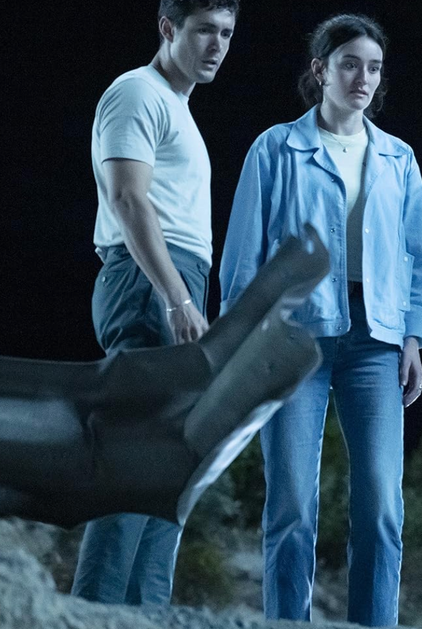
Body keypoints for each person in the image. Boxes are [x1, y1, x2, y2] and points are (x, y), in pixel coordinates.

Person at [218, 13, 422, 627]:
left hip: (377, 340)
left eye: (373, 68)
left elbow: (419, 256)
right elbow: (244, 254)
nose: (363, 78)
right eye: (349, 65)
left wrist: (413, 336)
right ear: (321, 70)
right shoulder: (275, 148)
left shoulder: (399, 158)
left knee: (382, 505)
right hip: (291, 338)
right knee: (290, 502)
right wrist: (240, 343)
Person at [73, 0, 239, 606]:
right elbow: (128, 198)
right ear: (169, 29)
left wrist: (186, 291)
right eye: (204, 30)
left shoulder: (176, 108)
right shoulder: (137, 92)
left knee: (171, 467)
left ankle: (146, 615)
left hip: (174, 278)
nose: (217, 45)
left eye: (227, 33)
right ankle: (95, 614)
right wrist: (175, 295)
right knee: (138, 458)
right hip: (150, 281)